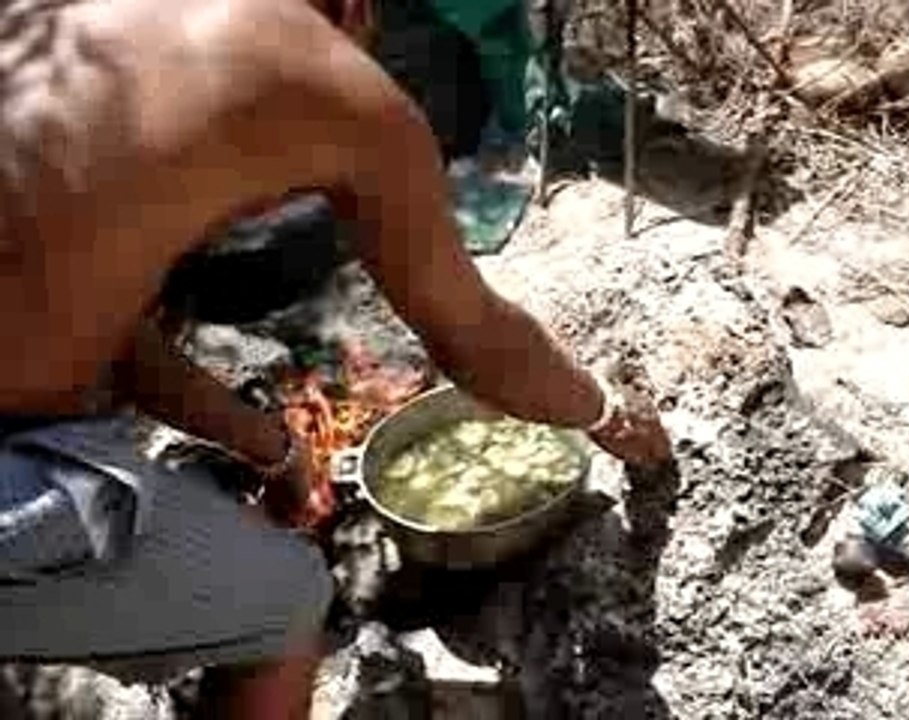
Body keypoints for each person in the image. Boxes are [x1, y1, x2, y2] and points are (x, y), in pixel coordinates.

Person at [0, 0, 673, 718]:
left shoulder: (59, 29)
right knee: (288, 606)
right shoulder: (323, 69)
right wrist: (604, 412)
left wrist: (276, 450)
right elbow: (474, 337)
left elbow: (122, 345)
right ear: (357, 8)